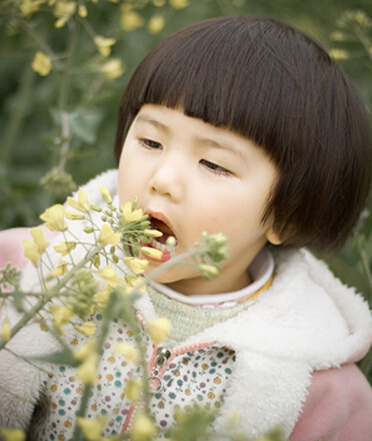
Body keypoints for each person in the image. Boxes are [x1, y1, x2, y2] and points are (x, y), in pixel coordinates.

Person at [1, 14, 372, 441]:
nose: (162, 179)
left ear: (286, 216)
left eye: (214, 164)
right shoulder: (30, 272)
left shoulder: (319, 388)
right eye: (150, 142)